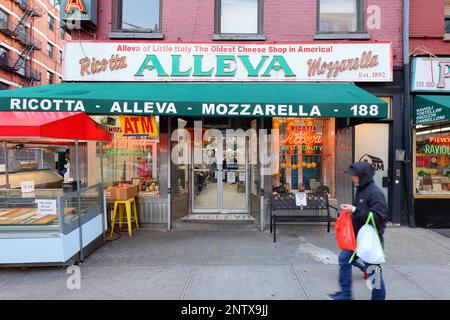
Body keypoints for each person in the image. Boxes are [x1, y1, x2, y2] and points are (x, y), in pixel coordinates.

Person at [328, 162, 387, 300]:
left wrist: (354, 210)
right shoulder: (361, 189)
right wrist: (351, 211)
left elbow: (379, 217)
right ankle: (345, 295)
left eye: (354, 175)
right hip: (356, 238)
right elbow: (362, 212)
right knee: (344, 259)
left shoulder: (375, 193)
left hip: (370, 241)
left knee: (374, 275)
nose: (352, 178)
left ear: (363, 176)